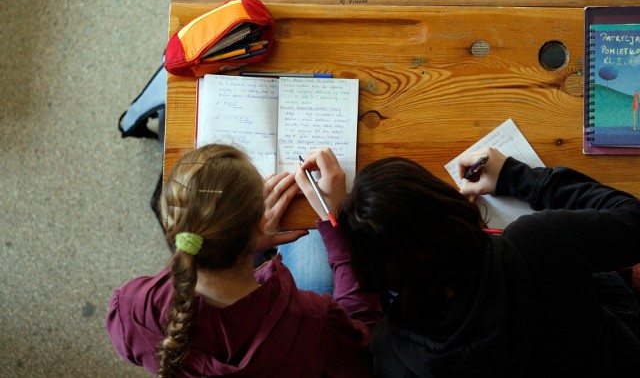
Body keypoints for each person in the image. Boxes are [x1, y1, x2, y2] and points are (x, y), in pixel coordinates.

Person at [319, 146, 640, 377]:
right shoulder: (537, 244)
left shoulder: (393, 354)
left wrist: (341, 222)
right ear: (449, 207)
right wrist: (518, 177)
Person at [105, 144, 382, 377]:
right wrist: (336, 224)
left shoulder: (132, 308)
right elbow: (367, 348)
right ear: (259, 223)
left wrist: (250, 243)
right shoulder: (314, 320)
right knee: (311, 240)